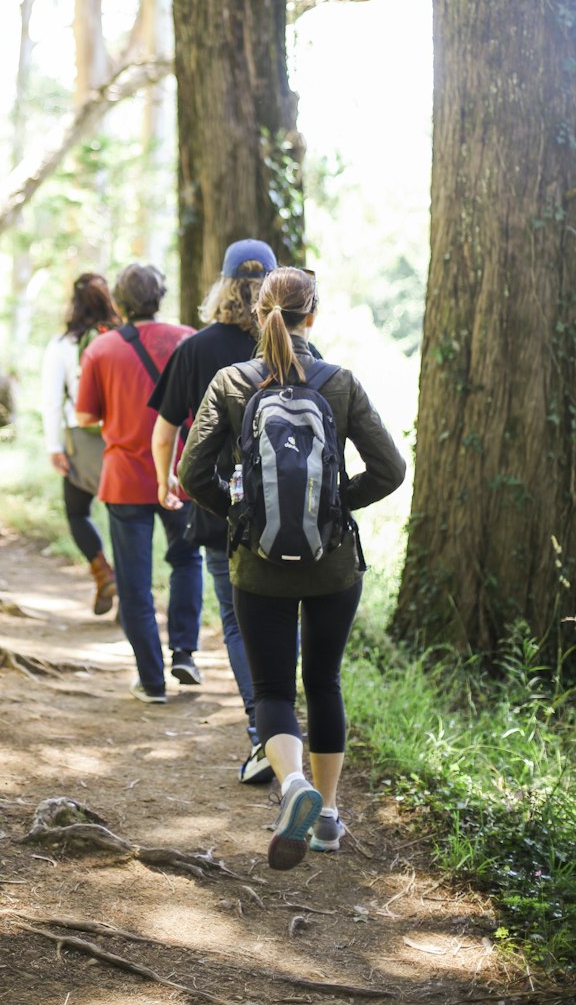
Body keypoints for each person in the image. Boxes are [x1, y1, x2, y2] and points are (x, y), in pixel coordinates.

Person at [178, 266, 405, 869]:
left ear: (258, 314)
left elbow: (191, 475)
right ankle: (327, 817)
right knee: (324, 682)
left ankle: (293, 786)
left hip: (258, 566)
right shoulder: (340, 382)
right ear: (314, 315)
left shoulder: (231, 382)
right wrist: (334, 507)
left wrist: (240, 514)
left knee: (275, 688)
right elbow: (390, 470)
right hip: (333, 568)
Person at [150, 238, 278, 782]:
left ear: (222, 287)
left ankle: (262, 732)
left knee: (235, 619)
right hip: (288, 509)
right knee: (284, 616)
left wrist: (166, 484)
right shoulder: (292, 349)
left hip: (218, 505)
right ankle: (286, 726)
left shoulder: (196, 349)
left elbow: (164, 431)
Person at [75, 262, 199, 703]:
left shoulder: (102, 350)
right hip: (181, 473)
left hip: (126, 477)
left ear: (121, 303)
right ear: (159, 297)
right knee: (187, 560)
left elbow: (85, 415)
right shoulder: (188, 339)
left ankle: (152, 680)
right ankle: (184, 651)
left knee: (134, 582)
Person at [41, 272, 121, 615]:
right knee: (124, 518)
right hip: (123, 440)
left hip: (81, 440)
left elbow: (50, 400)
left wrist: (54, 446)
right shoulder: (124, 338)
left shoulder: (63, 345)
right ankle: (130, 593)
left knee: (77, 512)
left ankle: (103, 570)